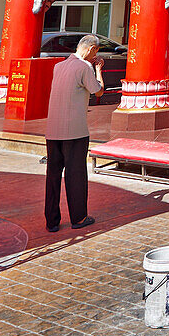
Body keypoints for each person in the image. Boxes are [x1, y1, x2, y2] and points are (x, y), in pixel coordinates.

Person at [44, 34, 103, 232]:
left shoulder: (58, 66)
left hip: (52, 130)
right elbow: (98, 91)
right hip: (75, 131)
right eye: (96, 51)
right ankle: (79, 217)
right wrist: (98, 70)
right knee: (75, 175)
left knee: (52, 176)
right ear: (91, 49)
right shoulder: (84, 67)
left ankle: (51, 221)